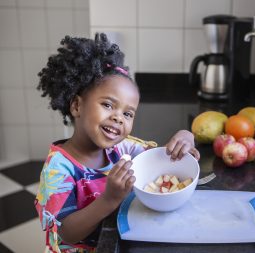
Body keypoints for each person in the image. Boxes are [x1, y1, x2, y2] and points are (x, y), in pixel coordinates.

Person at [34, 33, 200, 253]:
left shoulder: (122, 148)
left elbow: (162, 159)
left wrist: (185, 139)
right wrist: (109, 199)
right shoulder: (59, 169)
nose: (119, 118)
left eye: (128, 114)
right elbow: (66, 233)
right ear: (76, 106)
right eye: (108, 105)